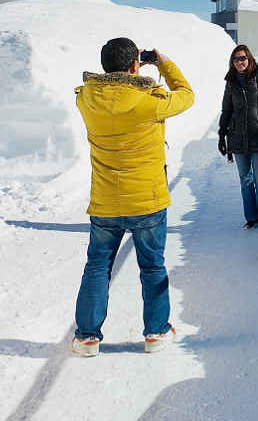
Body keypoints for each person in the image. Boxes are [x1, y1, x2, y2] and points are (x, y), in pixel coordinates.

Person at [71, 37, 194, 357]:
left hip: (105, 202)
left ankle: (86, 338)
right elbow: (186, 95)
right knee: (152, 267)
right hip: (147, 201)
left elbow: (102, 88)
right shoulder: (149, 100)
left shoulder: (86, 98)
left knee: (97, 267)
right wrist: (164, 64)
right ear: (134, 65)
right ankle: (156, 333)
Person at [217, 44, 258, 228]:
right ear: (232, 62)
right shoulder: (231, 81)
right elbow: (226, 109)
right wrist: (222, 135)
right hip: (237, 137)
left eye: (243, 58)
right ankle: (251, 217)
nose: (240, 62)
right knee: (245, 180)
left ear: (249, 58)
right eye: (236, 59)